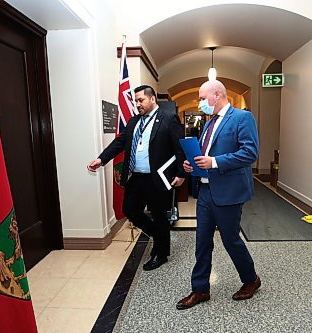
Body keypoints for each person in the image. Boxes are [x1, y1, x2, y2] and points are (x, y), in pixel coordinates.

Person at [176, 80, 260, 310]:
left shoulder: (242, 118)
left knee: (230, 240)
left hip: (229, 192)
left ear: (217, 94)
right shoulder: (209, 123)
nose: (200, 102)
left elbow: (250, 152)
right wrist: (194, 164)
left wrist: (214, 162)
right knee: (202, 242)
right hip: (205, 191)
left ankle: (251, 279)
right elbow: (206, 154)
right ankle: (200, 289)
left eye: (203, 98)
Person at [87, 85, 186, 271]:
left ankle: (161, 253)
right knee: (130, 210)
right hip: (136, 177)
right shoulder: (134, 121)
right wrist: (101, 159)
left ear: (152, 99)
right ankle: (159, 238)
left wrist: (181, 173)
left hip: (158, 178)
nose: (137, 104)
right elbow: (119, 142)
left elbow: (179, 147)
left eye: (140, 100)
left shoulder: (168, 119)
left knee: (159, 216)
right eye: (135, 101)